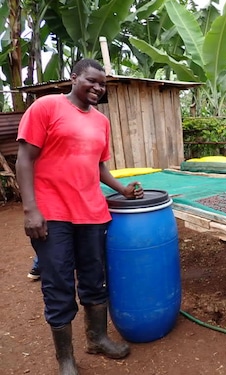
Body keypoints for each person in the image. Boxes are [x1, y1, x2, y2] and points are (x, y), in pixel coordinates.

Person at [16, 58, 144, 374]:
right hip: (53, 212)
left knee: (94, 277)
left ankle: (97, 338)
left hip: (92, 212)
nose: (98, 88)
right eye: (92, 81)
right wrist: (31, 209)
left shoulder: (101, 121)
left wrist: (121, 189)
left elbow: (98, 165)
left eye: (103, 84)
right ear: (73, 78)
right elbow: (24, 159)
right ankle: (66, 359)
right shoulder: (46, 107)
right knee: (58, 282)